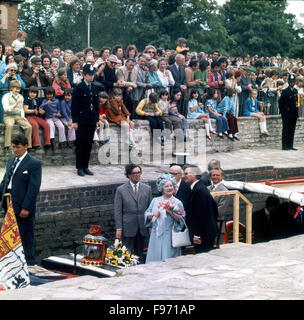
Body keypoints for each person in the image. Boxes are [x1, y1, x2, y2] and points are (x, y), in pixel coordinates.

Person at [0, 134, 42, 266]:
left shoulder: (34, 164)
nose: (15, 150)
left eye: (17, 147)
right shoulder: (11, 160)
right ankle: (12, 262)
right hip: (8, 202)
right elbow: (5, 181)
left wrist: (27, 207)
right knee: (10, 233)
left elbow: (33, 188)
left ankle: (29, 262)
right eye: (13, 147)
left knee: (25, 233)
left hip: (23, 205)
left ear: (25, 146)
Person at [114, 164, 152, 263]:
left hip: (142, 227)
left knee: (140, 254)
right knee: (127, 254)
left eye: (139, 173)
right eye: (134, 173)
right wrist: (119, 228)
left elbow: (150, 209)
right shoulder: (121, 190)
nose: (137, 175)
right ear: (128, 175)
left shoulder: (147, 189)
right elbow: (117, 211)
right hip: (128, 227)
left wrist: (150, 226)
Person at [144, 173, 185, 263]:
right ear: (162, 188)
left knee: (168, 259)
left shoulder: (177, 202)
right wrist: (153, 215)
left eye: (171, 185)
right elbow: (146, 214)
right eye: (166, 186)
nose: (169, 188)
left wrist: (170, 212)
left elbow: (182, 219)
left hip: (169, 236)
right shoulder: (155, 200)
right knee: (155, 259)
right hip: (156, 235)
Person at [71, 64, 100, 176]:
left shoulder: (95, 87)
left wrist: (97, 119)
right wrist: (75, 121)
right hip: (81, 120)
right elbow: (74, 106)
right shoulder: (79, 88)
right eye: (89, 74)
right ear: (83, 75)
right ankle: (79, 167)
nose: (91, 77)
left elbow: (96, 105)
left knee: (88, 144)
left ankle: (86, 166)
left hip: (91, 119)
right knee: (80, 144)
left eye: (92, 74)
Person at [183, 164, 218, 253]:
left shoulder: (199, 190)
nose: (184, 176)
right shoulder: (198, 188)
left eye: (186, 174)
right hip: (205, 233)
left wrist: (197, 235)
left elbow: (201, 214)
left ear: (194, 174)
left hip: (203, 235)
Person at [2, 80, 32, 151]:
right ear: (11, 88)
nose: (17, 90)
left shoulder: (20, 97)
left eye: (18, 88)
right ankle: (7, 145)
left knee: (28, 126)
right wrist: (14, 105)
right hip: (8, 115)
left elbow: (21, 108)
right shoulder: (6, 96)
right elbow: (6, 109)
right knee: (9, 125)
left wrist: (22, 116)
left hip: (18, 115)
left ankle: (28, 146)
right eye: (15, 88)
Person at [23, 86, 51, 150]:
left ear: (37, 94)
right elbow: (25, 110)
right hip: (29, 117)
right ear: (29, 93)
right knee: (35, 125)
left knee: (46, 125)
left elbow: (40, 108)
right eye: (31, 92)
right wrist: (33, 111)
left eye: (34, 93)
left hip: (36, 116)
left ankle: (47, 143)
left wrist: (41, 111)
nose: (32, 94)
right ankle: (36, 144)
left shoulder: (38, 99)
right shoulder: (27, 99)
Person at [207, 168, 232, 239]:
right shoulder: (207, 188)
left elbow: (220, 211)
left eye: (217, 175)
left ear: (222, 177)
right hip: (206, 225)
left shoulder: (225, 191)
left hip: (217, 225)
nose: (215, 177)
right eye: (213, 175)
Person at [278, 74, 298, 151]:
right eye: (291, 82)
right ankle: (285, 146)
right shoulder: (285, 91)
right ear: (288, 82)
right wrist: (283, 111)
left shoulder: (296, 91)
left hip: (293, 113)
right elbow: (280, 102)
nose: (292, 83)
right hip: (286, 113)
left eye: (293, 82)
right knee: (286, 129)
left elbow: (296, 103)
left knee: (292, 129)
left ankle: (290, 145)